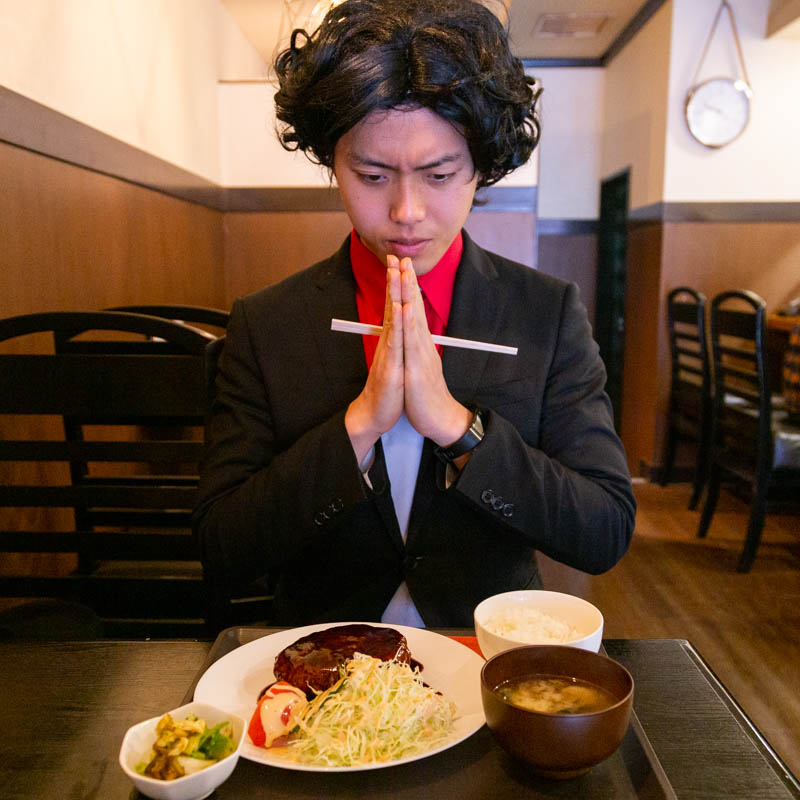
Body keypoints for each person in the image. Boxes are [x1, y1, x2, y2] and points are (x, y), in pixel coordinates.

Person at [194, 0, 635, 628]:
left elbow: (604, 530)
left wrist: (459, 430)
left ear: (480, 167)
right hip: (321, 651)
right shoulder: (267, 324)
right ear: (332, 163)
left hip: (484, 649)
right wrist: (357, 427)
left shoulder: (546, 312)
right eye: (372, 175)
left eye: (439, 174)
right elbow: (221, 545)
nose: (406, 211)